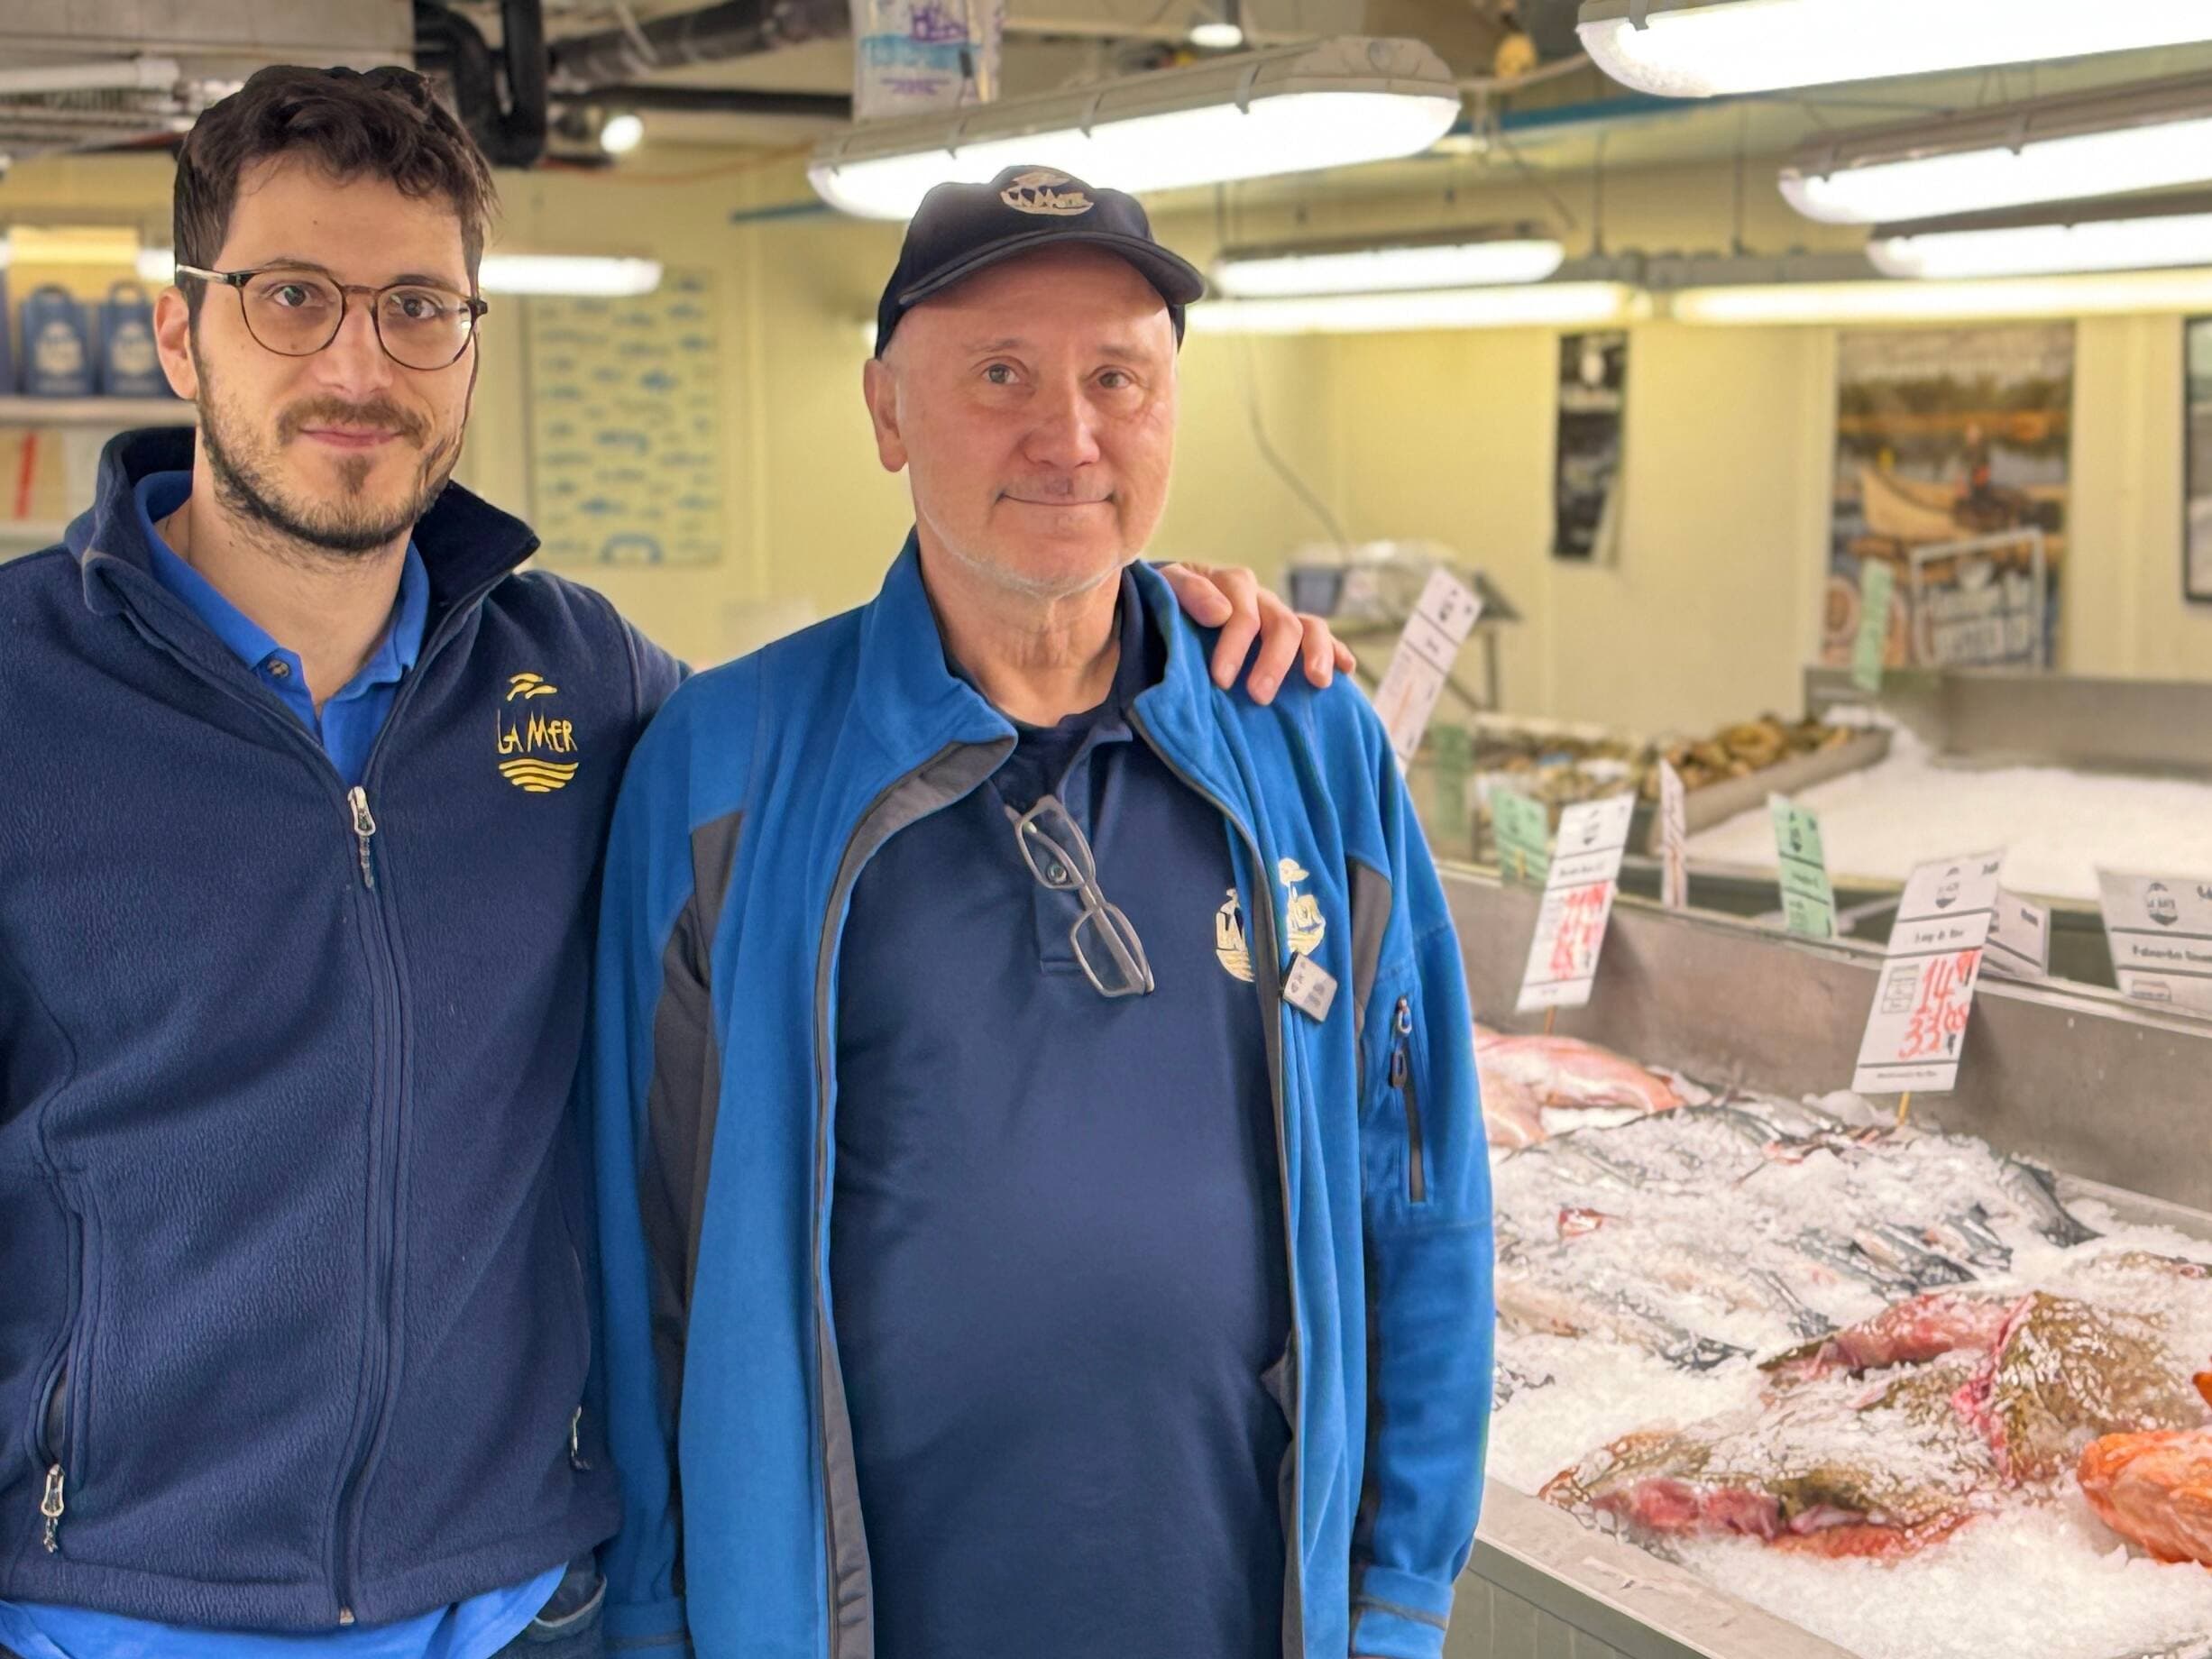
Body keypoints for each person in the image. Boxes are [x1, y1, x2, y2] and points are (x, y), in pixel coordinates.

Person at [0, 69, 1344, 1659]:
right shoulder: (25, 694)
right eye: (293, 298)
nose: (359, 365)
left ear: (472, 345)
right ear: (181, 332)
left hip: (521, 1604)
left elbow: (863, 728)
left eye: (419, 307)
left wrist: (1129, 605)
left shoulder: (587, 684)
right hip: (112, 1608)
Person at [590, 167, 1494, 1659]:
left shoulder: (1307, 742)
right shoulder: (723, 765)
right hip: (844, 1612)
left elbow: (1422, 1192)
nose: (1065, 435)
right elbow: (640, 1237)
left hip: (1228, 1597)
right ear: (887, 413)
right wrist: (653, 1613)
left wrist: (1395, 1591)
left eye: (1116, 378)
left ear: (1170, 409)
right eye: (998, 373)